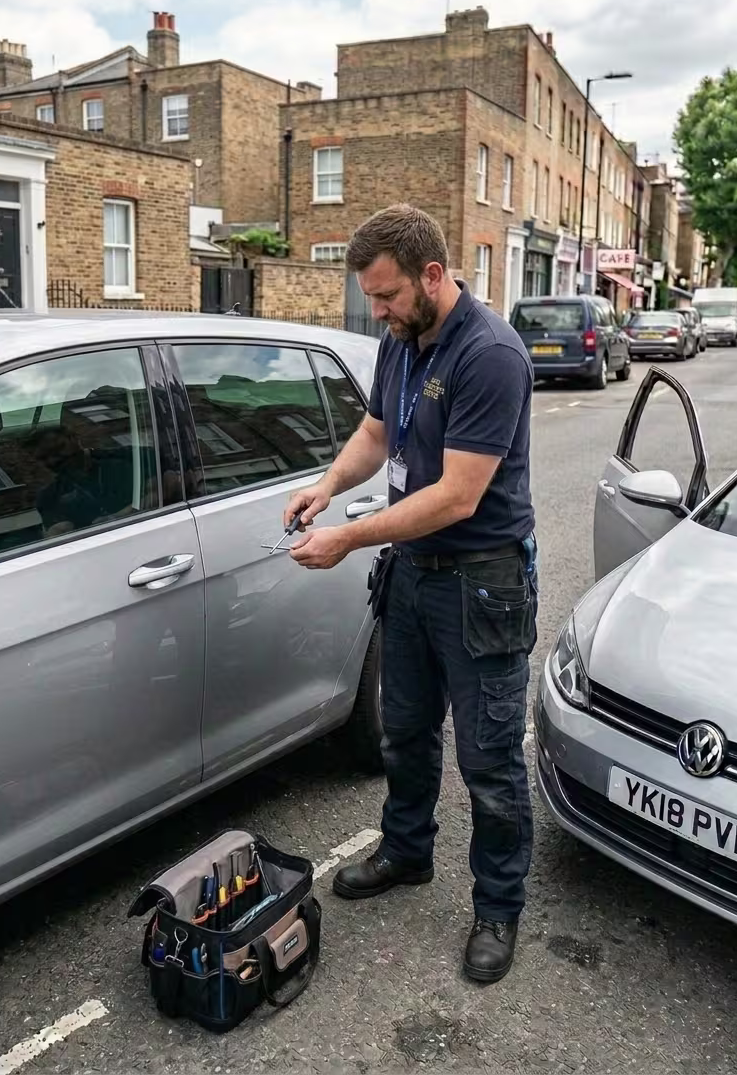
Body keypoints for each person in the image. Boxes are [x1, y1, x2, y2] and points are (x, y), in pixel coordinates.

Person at [284, 204, 537, 984]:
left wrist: (348, 537)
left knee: (489, 761)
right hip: (414, 578)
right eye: (372, 297)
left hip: (480, 582)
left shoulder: (490, 354)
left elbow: (458, 496)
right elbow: (375, 434)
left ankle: (498, 907)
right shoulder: (401, 344)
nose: (380, 312)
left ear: (433, 274)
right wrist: (327, 488)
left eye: (388, 295)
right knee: (404, 731)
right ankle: (406, 850)